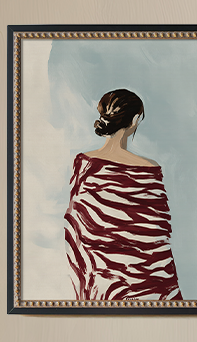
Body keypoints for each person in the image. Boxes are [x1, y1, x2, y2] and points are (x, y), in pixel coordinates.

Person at [64, 89, 183, 301]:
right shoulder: (149, 169)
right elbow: (157, 238)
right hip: (147, 287)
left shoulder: (83, 164)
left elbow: (74, 231)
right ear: (135, 120)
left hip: (98, 285)